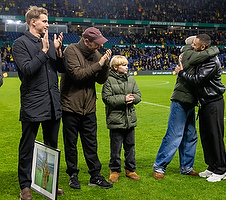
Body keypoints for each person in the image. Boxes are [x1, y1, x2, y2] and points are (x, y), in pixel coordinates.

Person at [12, 5, 65, 200]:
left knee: (51, 145)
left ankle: (48, 183)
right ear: (33, 22)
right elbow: (26, 70)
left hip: (52, 103)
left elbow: (62, 69)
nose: (47, 24)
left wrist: (58, 52)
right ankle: (25, 186)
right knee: (27, 146)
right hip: (33, 103)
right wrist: (43, 51)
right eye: (44, 21)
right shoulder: (20, 44)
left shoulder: (49, 43)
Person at [153, 35, 220, 180]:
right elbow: (206, 52)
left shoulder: (192, 55)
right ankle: (159, 166)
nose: (196, 46)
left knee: (190, 135)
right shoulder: (189, 54)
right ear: (192, 46)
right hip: (181, 100)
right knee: (174, 134)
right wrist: (216, 48)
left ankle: (186, 167)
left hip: (191, 101)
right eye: (195, 44)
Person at [60, 27, 113, 189]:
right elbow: (78, 75)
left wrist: (105, 66)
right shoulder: (71, 50)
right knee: (71, 143)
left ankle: (95, 175)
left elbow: (101, 81)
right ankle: (73, 175)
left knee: (91, 143)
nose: (99, 46)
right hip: (70, 106)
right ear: (86, 41)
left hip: (89, 107)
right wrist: (99, 64)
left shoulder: (96, 55)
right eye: (96, 43)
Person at [175, 34, 226, 182]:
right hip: (205, 102)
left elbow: (198, 79)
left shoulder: (212, 61)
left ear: (203, 47)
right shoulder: (203, 58)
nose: (193, 46)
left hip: (214, 102)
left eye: (195, 45)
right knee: (206, 136)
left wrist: (181, 72)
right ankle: (212, 166)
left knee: (215, 136)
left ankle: (221, 170)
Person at [101, 55, 141, 183]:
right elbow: (106, 99)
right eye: (123, 65)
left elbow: (138, 95)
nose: (126, 67)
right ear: (115, 67)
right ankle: (114, 170)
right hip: (116, 120)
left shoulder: (131, 79)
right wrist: (123, 99)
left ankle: (130, 170)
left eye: (126, 64)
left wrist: (133, 98)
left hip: (130, 119)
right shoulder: (108, 80)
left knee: (130, 146)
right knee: (116, 148)